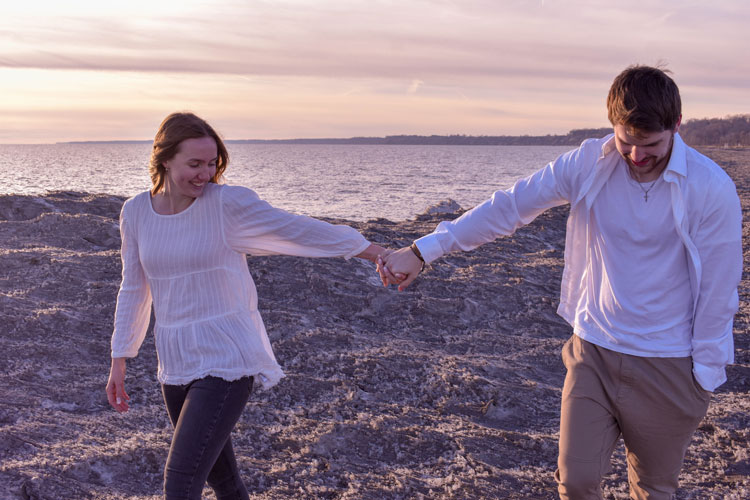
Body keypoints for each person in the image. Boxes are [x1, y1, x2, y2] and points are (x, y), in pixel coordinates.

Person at [377, 65, 742, 499]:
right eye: (626, 141)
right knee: (577, 482)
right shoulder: (589, 162)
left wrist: (703, 374)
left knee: (653, 489)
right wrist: (423, 251)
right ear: (612, 126)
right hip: (594, 352)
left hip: (668, 363)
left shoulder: (710, 187)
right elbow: (510, 207)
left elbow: (720, 288)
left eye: (651, 146)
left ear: (676, 127)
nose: (637, 156)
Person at [105, 112, 387, 500]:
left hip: (227, 355)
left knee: (180, 483)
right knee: (223, 480)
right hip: (175, 359)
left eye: (211, 163)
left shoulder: (226, 205)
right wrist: (120, 357)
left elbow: (295, 228)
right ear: (164, 159)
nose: (205, 174)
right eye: (194, 164)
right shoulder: (135, 212)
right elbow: (134, 286)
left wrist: (374, 252)